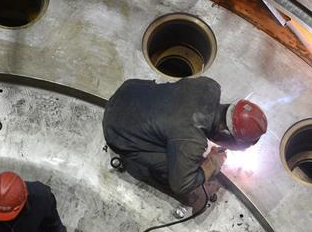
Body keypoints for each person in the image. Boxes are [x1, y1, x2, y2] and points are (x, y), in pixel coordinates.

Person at [102, 77, 267, 208]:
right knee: (182, 169)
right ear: (224, 132)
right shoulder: (192, 141)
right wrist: (211, 165)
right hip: (116, 129)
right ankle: (159, 176)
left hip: (129, 90)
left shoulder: (209, 86)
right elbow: (182, 185)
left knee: (172, 136)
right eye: (233, 146)